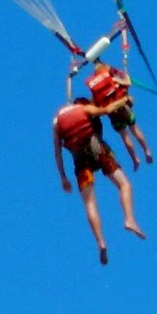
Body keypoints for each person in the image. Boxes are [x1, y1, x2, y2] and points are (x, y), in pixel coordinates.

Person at [54, 97, 145, 264]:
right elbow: (108, 109)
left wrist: (63, 177)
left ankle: (101, 243)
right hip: (99, 152)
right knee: (124, 185)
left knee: (89, 204)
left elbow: (58, 153)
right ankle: (129, 219)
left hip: (80, 162)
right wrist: (124, 99)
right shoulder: (86, 110)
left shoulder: (57, 122)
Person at [82, 59, 155, 169]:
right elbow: (128, 82)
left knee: (124, 135)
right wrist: (119, 80)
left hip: (113, 113)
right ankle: (147, 151)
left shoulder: (95, 84)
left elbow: (95, 103)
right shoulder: (110, 73)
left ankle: (135, 158)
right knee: (134, 129)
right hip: (123, 106)